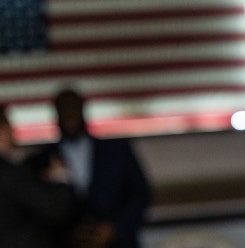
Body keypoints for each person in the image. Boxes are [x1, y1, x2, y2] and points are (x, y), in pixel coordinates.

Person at [26, 88, 151, 248]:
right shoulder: (40, 161)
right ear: (56, 114)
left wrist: (114, 228)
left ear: (83, 109)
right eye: (63, 109)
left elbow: (139, 194)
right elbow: (35, 210)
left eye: (73, 108)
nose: (69, 115)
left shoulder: (117, 151)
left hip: (117, 242)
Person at [0, 105, 76, 248]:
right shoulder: (12, 173)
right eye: (8, 126)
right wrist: (60, 176)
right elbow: (56, 209)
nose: (12, 132)